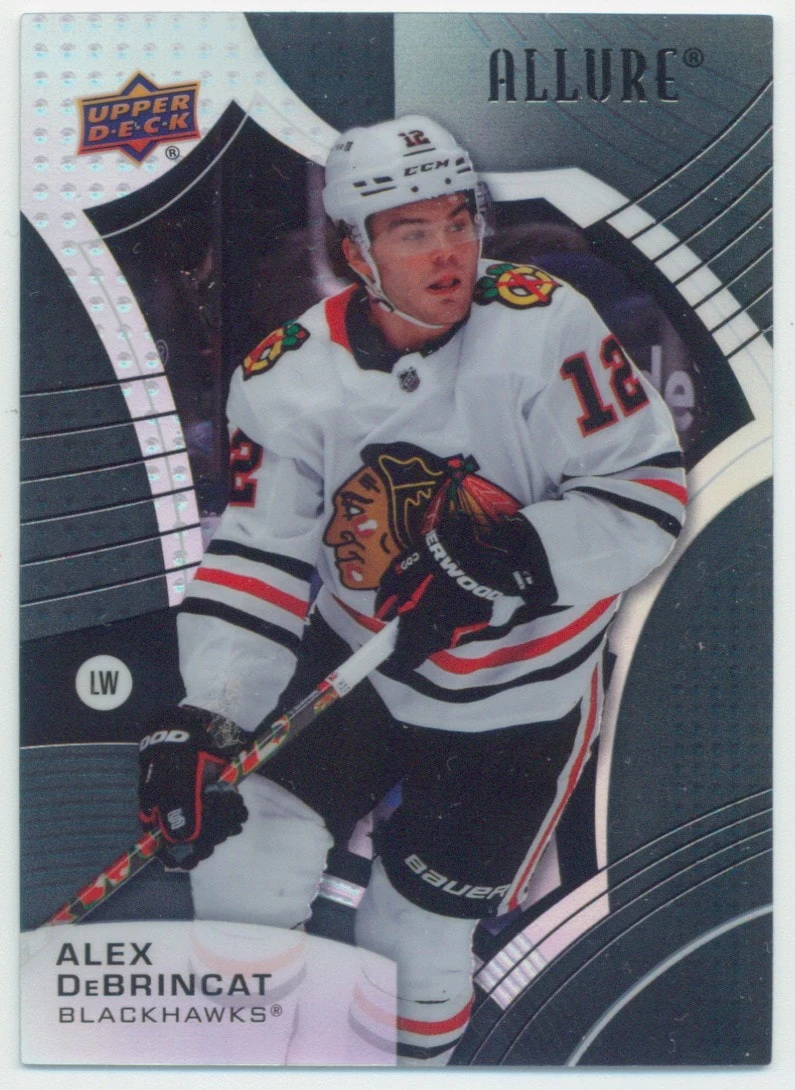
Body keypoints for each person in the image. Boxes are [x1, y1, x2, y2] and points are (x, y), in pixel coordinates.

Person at [138, 115, 687, 1065]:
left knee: (414, 945)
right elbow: (256, 558)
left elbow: (647, 498)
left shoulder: (545, 321)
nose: (448, 252)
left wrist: (511, 555)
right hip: (358, 661)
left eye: (458, 221)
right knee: (242, 871)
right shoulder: (284, 377)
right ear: (354, 250)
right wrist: (210, 714)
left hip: (523, 692)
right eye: (412, 231)